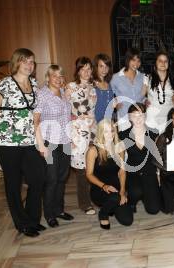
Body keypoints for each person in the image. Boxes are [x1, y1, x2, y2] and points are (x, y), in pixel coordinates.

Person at [0, 48, 46, 237]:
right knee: (13, 184)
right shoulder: (5, 83)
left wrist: (39, 141)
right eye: (25, 61)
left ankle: (32, 219)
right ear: (17, 63)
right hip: (8, 144)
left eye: (32, 61)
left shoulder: (35, 84)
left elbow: (35, 116)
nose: (29, 65)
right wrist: (4, 131)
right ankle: (22, 223)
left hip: (29, 141)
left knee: (38, 177)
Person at [34, 64, 73, 228]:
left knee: (62, 178)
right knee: (52, 179)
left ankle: (59, 210)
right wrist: (41, 145)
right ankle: (49, 214)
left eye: (61, 75)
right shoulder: (42, 94)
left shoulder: (64, 92)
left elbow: (67, 116)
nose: (58, 79)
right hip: (50, 142)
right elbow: (35, 121)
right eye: (54, 76)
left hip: (65, 141)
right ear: (48, 78)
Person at [86, 119, 133, 229]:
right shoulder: (93, 150)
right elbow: (89, 174)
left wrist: (122, 191)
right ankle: (103, 214)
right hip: (100, 188)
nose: (110, 134)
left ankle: (112, 206)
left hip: (116, 189)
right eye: (106, 131)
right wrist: (104, 186)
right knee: (114, 199)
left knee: (127, 221)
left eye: (112, 131)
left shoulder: (120, 147)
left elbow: (122, 171)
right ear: (100, 132)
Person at [65, 56, 97, 215]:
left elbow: (92, 111)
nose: (86, 72)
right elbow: (64, 108)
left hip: (92, 131)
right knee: (81, 170)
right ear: (77, 70)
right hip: (77, 133)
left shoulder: (93, 88)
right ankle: (85, 204)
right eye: (82, 68)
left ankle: (95, 198)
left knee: (92, 166)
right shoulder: (70, 86)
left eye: (89, 68)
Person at [119, 103, 161, 214]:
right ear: (129, 117)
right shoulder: (123, 135)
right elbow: (122, 162)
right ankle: (133, 201)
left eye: (141, 115)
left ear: (145, 116)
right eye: (134, 115)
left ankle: (145, 195)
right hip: (132, 172)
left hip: (149, 172)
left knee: (154, 210)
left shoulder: (154, 133)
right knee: (136, 191)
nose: (138, 119)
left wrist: (158, 176)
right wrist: (122, 189)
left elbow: (158, 157)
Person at [110, 48, 147, 131]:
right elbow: (109, 94)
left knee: (140, 142)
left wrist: (146, 101)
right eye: (133, 60)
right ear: (128, 60)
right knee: (126, 143)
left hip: (140, 117)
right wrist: (115, 103)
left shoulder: (143, 77)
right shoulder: (116, 77)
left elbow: (141, 96)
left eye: (138, 61)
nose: (136, 63)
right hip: (124, 117)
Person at [145, 50, 174, 133]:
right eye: (160, 61)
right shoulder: (147, 78)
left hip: (168, 118)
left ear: (168, 63)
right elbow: (141, 95)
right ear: (155, 63)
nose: (163, 63)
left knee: (167, 144)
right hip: (151, 118)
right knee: (151, 144)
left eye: (165, 61)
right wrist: (144, 101)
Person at [93, 54, 115, 123]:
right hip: (95, 123)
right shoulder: (91, 84)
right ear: (96, 67)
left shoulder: (110, 83)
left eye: (106, 66)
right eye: (101, 66)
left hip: (108, 122)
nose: (104, 69)